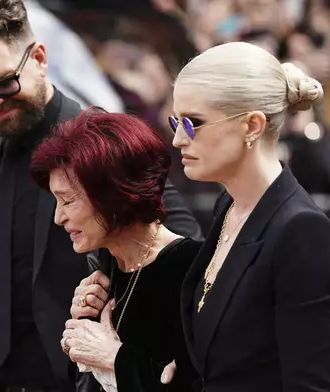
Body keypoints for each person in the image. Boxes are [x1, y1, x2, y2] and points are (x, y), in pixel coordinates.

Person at [0, 1, 203, 391]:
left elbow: (178, 253)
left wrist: (118, 338)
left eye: (4, 83)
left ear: (39, 58)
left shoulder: (100, 145)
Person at [74, 41, 330, 392]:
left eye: (193, 123)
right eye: (177, 121)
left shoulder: (304, 233)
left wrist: (117, 358)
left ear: (252, 125)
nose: (176, 139)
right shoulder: (230, 207)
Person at [30, 107, 201, 392]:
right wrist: (82, 329)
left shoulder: (191, 269)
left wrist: (113, 357)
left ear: (114, 195)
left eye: (68, 201)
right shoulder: (105, 266)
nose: (58, 217)